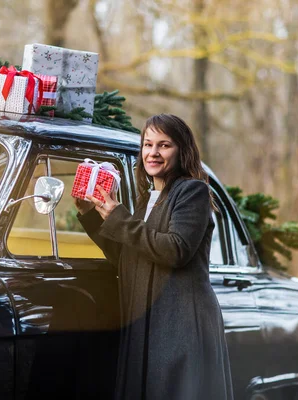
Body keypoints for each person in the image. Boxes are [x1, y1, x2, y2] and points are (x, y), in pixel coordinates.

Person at [75, 114, 234, 400]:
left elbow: (174, 250)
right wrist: (91, 214)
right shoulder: (146, 198)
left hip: (180, 324)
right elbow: (128, 256)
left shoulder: (192, 192)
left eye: (164, 145)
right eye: (148, 144)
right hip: (149, 324)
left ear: (182, 150)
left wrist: (117, 216)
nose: (153, 153)